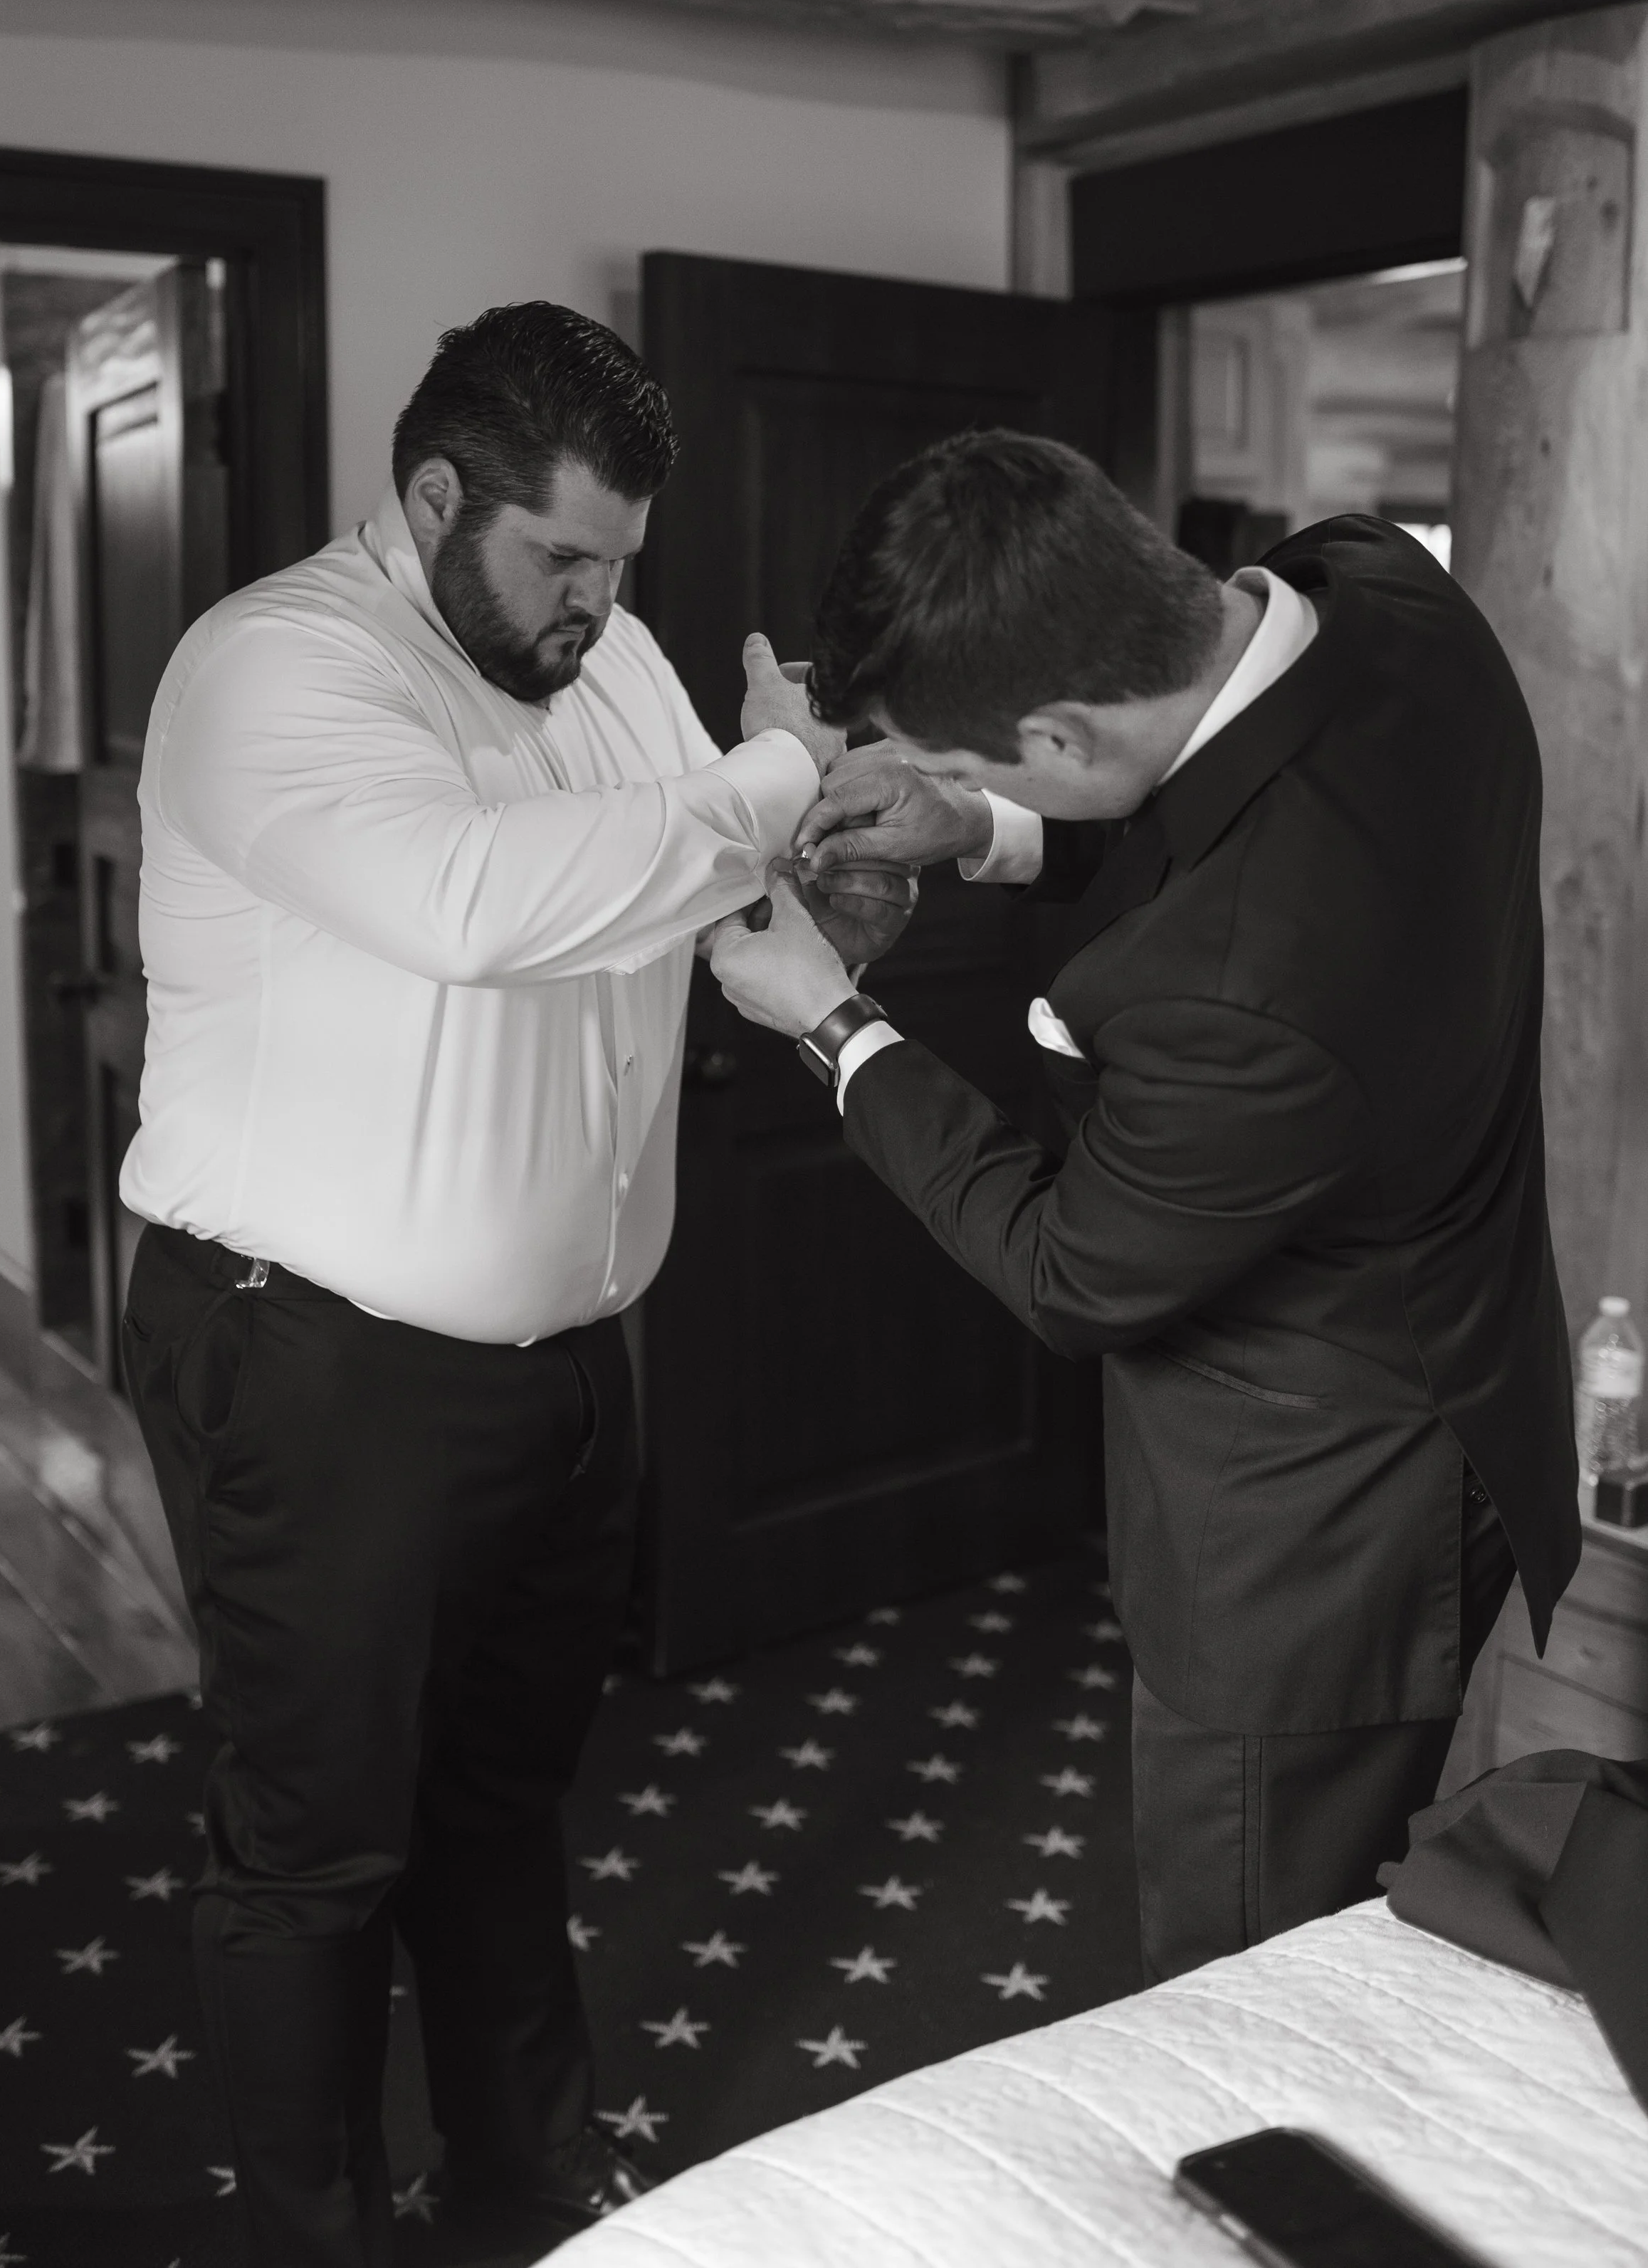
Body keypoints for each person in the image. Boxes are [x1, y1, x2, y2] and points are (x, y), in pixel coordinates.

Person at [118, 303, 908, 2268]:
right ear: (432, 496)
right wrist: (767, 770)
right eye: (562, 556)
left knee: (499, 1805)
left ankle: (531, 2200)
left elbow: (709, 889)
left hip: (565, 1373)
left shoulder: (611, 657)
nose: (598, 602)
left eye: (620, 562)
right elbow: (477, 905)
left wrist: (822, 859)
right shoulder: (274, 667)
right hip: (315, 1361)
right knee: (319, 1849)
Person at [709, 427, 1581, 1985]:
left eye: (971, 765)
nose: (958, 786)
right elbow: (1217, 789)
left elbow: (1070, 1270)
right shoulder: (1383, 590)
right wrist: (982, 826)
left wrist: (831, 1022)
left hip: (1311, 1529)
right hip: (1456, 1341)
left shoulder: (1240, 991)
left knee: (1243, 1979)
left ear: (1058, 728)